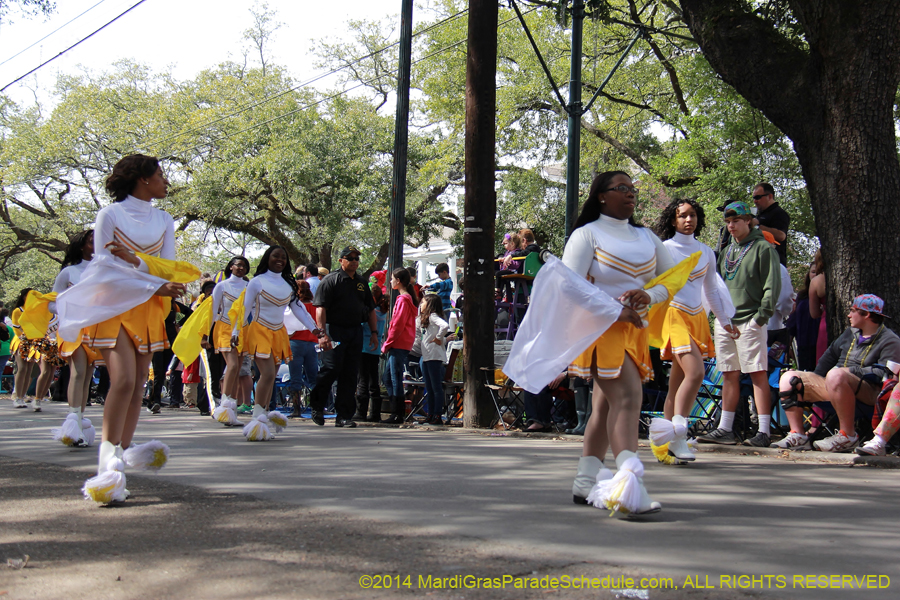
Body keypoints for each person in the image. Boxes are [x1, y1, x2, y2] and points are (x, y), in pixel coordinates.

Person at [57, 154, 197, 504]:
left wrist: (140, 266)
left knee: (137, 386)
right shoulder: (110, 214)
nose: (166, 181)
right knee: (121, 380)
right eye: (161, 174)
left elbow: (166, 266)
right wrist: (150, 282)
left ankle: (119, 455)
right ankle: (106, 459)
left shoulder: (164, 218)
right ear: (142, 178)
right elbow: (103, 262)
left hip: (148, 306)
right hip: (115, 303)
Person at [565, 171, 676, 515]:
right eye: (621, 189)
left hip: (635, 331)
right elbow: (569, 285)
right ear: (601, 195)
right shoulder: (586, 235)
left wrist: (648, 294)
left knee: (604, 406)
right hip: (601, 330)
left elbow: (671, 279)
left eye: (633, 189)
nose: (630, 194)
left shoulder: (646, 237)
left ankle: (585, 481)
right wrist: (615, 311)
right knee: (628, 397)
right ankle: (630, 484)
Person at [651, 199, 734, 463]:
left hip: (697, 317)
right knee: (696, 372)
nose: (689, 220)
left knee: (677, 384)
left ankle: (664, 442)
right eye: (683, 216)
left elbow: (710, 290)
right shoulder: (664, 249)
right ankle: (679, 435)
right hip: (673, 314)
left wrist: (724, 320)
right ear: (673, 220)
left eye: (693, 215)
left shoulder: (707, 252)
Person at [697, 200, 781, 448]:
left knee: (756, 373)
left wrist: (759, 319)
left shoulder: (764, 249)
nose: (731, 226)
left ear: (748, 220)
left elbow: (772, 287)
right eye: (728, 222)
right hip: (726, 322)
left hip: (750, 320)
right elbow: (717, 287)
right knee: (729, 373)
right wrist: (718, 317)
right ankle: (725, 428)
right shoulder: (726, 251)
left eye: (736, 221)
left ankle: (763, 431)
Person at [775, 294, 900, 452]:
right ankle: (798, 434)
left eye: (853, 310)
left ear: (867, 314)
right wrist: (813, 380)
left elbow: (885, 374)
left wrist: (849, 372)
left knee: (836, 375)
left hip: (869, 393)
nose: (849, 314)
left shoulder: (890, 340)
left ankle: (847, 435)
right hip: (835, 385)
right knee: (789, 378)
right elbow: (828, 358)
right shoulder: (850, 333)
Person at [233, 246, 321, 441]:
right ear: (268, 258)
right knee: (268, 373)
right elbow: (245, 308)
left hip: (278, 332)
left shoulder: (288, 285)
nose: (279, 260)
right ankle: (257, 418)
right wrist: (235, 331)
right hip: (258, 330)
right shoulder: (256, 282)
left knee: (270, 378)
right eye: (275, 256)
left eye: (283, 257)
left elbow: (298, 309)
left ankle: (262, 416)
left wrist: (313, 327)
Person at [309, 246, 378, 427]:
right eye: (350, 258)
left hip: (354, 331)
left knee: (350, 373)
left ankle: (344, 415)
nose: (354, 261)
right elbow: (320, 309)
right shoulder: (331, 280)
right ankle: (317, 406)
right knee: (331, 368)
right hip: (334, 330)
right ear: (341, 260)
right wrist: (322, 334)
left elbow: (370, 309)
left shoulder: (362, 283)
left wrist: (374, 333)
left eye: (356, 258)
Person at [50, 230, 99, 446]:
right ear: (81, 246)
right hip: (73, 328)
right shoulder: (69, 272)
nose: (96, 244)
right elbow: (52, 302)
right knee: (78, 372)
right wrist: (69, 307)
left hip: (96, 328)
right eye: (91, 241)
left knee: (87, 375)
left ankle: (78, 422)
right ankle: (73, 422)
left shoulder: (104, 270)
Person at [208, 256, 250, 418]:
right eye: (238, 265)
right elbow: (212, 311)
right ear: (231, 267)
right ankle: (224, 405)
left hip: (243, 329)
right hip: (224, 328)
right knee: (232, 366)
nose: (240, 268)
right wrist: (206, 334)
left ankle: (230, 408)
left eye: (244, 266)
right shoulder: (221, 286)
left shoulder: (249, 286)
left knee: (237, 370)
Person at [381, 267, 419, 424]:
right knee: (388, 377)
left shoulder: (403, 299)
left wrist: (387, 343)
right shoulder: (407, 299)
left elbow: (397, 324)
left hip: (398, 343)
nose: (390, 281)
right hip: (401, 342)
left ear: (399, 281)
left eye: (392, 279)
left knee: (394, 377)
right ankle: (396, 412)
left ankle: (397, 414)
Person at [287, 279, 319, 417]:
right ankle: (317, 407)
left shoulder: (294, 306)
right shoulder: (315, 307)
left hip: (295, 343)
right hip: (312, 344)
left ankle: (296, 409)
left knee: (295, 377)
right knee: (313, 377)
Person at [418, 294, 452, 425]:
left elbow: (444, 326)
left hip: (434, 356)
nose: (421, 305)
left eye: (423, 302)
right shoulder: (425, 318)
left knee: (436, 387)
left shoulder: (433, 316)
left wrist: (438, 338)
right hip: (426, 356)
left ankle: (437, 414)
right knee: (429, 387)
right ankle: (430, 414)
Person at [355, 285, 387, 422]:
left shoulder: (369, 312)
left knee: (362, 380)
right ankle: (375, 413)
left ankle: (361, 412)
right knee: (374, 381)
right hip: (375, 349)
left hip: (363, 347)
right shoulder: (383, 311)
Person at [787, 261, 821, 371]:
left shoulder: (825, 295)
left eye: (818, 272)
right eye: (813, 272)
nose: (815, 275)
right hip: (804, 342)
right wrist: (788, 341)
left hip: (820, 340)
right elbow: (794, 319)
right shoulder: (802, 296)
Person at [751, 182, 789, 266]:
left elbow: (781, 235)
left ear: (770, 196)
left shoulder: (779, 213)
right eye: (753, 198)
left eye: (758, 197)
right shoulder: (760, 214)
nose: (755, 201)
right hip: (759, 260)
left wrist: (757, 226)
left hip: (774, 262)